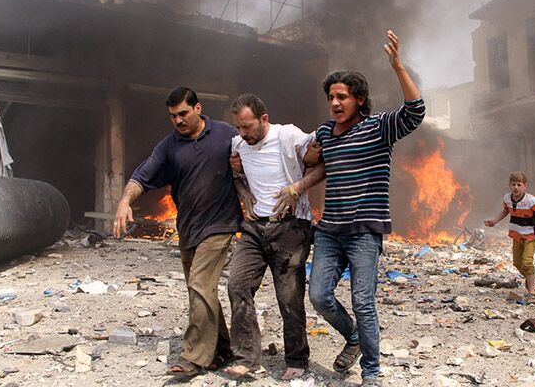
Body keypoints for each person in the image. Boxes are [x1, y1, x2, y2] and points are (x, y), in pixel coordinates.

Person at [278, 30, 425, 387]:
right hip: (330, 230)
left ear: (359, 99)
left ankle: (371, 373)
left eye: (342, 96)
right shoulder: (325, 133)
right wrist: (298, 185)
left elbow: (415, 111)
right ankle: (355, 337)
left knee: (363, 302)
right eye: (331, 97)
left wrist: (398, 66)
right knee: (319, 296)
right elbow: (319, 166)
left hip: (364, 232)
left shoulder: (379, 128)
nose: (335, 103)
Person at [112, 87, 242, 379]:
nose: (178, 120)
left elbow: (253, 154)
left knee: (199, 284)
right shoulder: (169, 146)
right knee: (202, 290)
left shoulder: (225, 134)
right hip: (189, 228)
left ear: (198, 108)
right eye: (173, 116)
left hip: (220, 225)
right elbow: (141, 176)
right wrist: (124, 201)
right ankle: (222, 348)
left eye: (183, 113)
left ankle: (193, 357)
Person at [222, 93, 315, 380]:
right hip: (254, 228)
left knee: (289, 297)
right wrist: (243, 193)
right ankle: (246, 358)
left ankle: (297, 359)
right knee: (237, 285)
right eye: (238, 127)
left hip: (290, 228)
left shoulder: (288, 136)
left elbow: (321, 159)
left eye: (247, 126)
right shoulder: (239, 145)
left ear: (264, 118)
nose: (242, 133)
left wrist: (296, 188)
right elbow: (235, 175)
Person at [484, 171, 535, 295]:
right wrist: (494, 221)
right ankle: (529, 277)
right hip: (516, 234)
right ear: (509, 186)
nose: (516, 187)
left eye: (519, 185)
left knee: (527, 262)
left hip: (531, 235)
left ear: (524, 186)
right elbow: (506, 211)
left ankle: (531, 291)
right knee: (517, 263)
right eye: (513, 185)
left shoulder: (531, 200)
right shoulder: (507, 198)